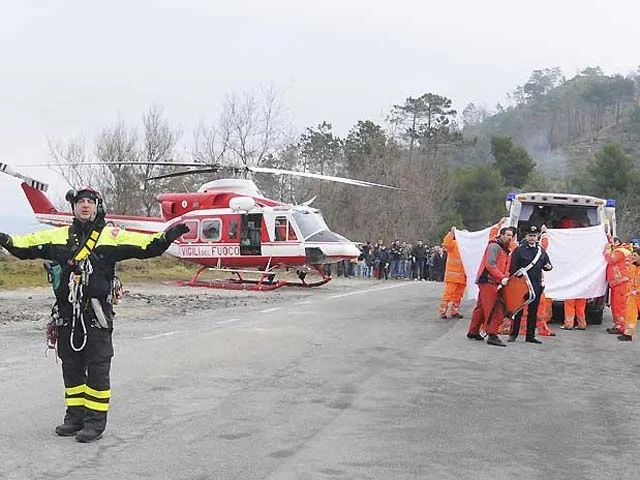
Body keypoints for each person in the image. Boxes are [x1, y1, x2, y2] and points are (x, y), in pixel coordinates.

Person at [0, 187, 189, 443]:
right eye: (80, 202)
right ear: (74, 207)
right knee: (71, 366)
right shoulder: (57, 236)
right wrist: (5, 239)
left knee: (98, 367)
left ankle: (95, 423)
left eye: (90, 202)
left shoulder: (111, 235)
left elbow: (147, 246)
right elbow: (25, 247)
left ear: (97, 206)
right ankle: (74, 417)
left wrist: (169, 235)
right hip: (66, 313)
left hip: (96, 313)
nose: (85, 206)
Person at [466, 226, 516, 347]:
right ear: (502, 235)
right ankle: (492, 335)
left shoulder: (503, 248)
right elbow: (490, 265)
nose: (509, 238)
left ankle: (473, 331)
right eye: (507, 235)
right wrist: (502, 278)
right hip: (489, 281)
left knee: (482, 307)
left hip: (489, 280)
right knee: (495, 308)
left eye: (511, 235)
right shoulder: (495, 247)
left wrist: (504, 276)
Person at [508, 225, 553, 344]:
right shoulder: (519, 250)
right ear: (526, 236)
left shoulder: (540, 251)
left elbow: (547, 264)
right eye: (530, 236)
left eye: (534, 236)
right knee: (518, 311)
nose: (532, 238)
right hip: (521, 285)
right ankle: (513, 334)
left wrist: (548, 267)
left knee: (533, 312)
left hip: (536, 285)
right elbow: (513, 267)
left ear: (537, 237)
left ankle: (530, 336)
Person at [604, 237, 631, 335]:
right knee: (617, 305)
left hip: (620, 283)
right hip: (620, 282)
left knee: (619, 305)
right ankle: (619, 325)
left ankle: (621, 326)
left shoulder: (620, 251)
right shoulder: (624, 251)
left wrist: (606, 250)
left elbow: (610, 260)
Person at [439, 227, 467, 319]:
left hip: (463, 277)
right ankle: (443, 311)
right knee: (448, 294)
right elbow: (446, 243)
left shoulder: (468, 248)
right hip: (453, 276)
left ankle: (454, 311)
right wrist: (451, 233)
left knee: (458, 295)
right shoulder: (454, 244)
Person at [620, 247, 640, 341]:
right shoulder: (632, 267)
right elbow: (630, 281)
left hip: (637, 294)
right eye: (632, 255)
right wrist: (628, 293)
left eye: (635, 255)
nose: (633, 257)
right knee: (630, 315)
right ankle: (628, 334)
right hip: (633, 296)